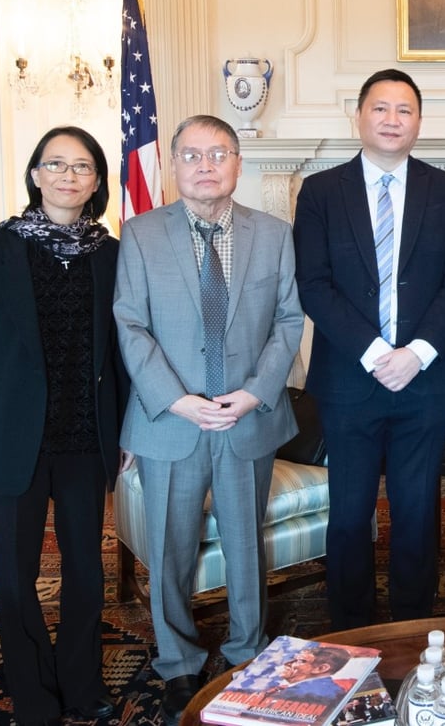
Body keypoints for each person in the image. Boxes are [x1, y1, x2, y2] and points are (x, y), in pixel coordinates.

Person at [113, 114, 303, 725]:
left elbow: (288, 321)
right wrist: (175, 399)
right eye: (192, 155)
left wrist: (253, 394)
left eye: (218, 154)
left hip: (246, 417)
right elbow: (130, 324)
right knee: (170, 546)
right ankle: (177, 661)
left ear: (237, 164)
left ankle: (248, 651)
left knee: (246, 541)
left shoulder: (273, 233)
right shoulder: (141, 233)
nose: (205, 165)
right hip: (171, 419)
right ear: (174, 165)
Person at [0, 126, 129, 726]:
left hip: (86, 435)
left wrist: (124, 430)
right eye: (55, 164)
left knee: (86, 569)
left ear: (97, 182)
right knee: (14, 572)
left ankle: (81, 683)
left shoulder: (113, 255)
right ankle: (32, 693)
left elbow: (121, 354)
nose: (67, 176)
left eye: (82, 167)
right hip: (8, 436)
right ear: (34, 174)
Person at [293, 69, 445, 629]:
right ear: (359, 116)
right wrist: (375, 353)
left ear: (418, 122)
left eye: (404, 110)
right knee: (350, 513)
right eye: (381, 108)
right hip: (349, 379)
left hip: (423, 378)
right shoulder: (321, 191)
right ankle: (351, 628)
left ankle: (412, 626)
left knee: (417, 511)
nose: (392, 120)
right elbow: (313, 285)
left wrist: (417, 352)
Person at [266, 645, 354, 704]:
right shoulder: (329, 688)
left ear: (321, 668)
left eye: (300, 661)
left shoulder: (302, 693)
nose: (288, 663)